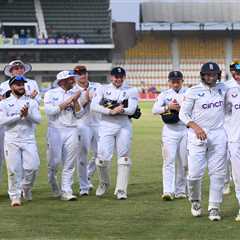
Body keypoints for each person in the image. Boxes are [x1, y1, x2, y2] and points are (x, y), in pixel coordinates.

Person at [179, 62, 227, 221]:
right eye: (207, 74)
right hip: (197, 135)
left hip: (219, 135)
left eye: (213, 74)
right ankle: (195, 200)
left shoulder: (223, 88)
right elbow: (183, 114)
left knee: (218, 174)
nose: (210, 77)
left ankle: (214, 207)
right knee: (194, 174)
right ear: (202, 75)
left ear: (218, 75)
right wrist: (195, 127)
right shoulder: (193, 91)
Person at [90, 67, 139, 200]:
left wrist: (120, 110)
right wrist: (111, 111)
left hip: (124, 126)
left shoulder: (131, 90)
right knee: (101, 159)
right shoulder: (102, 89)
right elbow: (93, 106)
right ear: (111, 77)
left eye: (121, 77)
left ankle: (121, 190)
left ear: (124, 77)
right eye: (116, 77)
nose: (118, 79)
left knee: (124, 158)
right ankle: (104, 183)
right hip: (106, 125)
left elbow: (132, 110)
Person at [0, 75, 41, 207]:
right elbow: (2, 121)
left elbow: (38, 120)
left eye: (22, 84)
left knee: (33, 167)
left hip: (28, 139)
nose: (21, 87)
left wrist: (27, 115)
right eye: (18, 84)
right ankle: (15, 196)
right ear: (11, 87)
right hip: (11, 139)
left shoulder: (32, 102)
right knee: (13, 170)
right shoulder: (4, 103)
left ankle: (26, 188)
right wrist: (20, 116)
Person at [44, 70, 84, 201]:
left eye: (73, 78)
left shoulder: (75, 93)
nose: (73, 80)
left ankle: (67, 191)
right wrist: (69, 101)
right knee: (54, 163)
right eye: (70, 78)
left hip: (72, 129)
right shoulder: (51, 93)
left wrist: (76, 101)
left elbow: (79, 114)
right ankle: (54, 185)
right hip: (55, 130)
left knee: (69, 163)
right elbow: (50, 112)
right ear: (62, 81)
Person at [152, 71, 188, 201]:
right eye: (173, 81)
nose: (175, 83)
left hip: (185, 130)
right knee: (169, 161)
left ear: (182, 81)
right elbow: (154, 110)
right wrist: (168, 107)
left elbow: (195, 110)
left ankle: (180, 190)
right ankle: (168, 191)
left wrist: (180, 109)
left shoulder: (188, 93)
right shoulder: (164, 95)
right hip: (169, 131)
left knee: (184, 162)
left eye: (178, 80)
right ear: (169, 82)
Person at [73, 65, 101, 196]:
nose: (82, 76)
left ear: (87, 74)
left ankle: (88, 175)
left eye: (83, 73)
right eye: (79, 74)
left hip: (98, 124)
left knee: (101, 154)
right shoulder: (73, 90)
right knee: (82, 156)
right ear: (75, 76)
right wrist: (85, 99)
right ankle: (84, 186)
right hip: (82, 125)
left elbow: (103, 102)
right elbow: (77, 112)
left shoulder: (97, 86)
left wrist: (95, 99)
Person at [224, 62, 240, 221]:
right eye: (235, 72)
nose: (237, 75)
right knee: (238, 176)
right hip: (234, 138)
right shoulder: (226, 87)